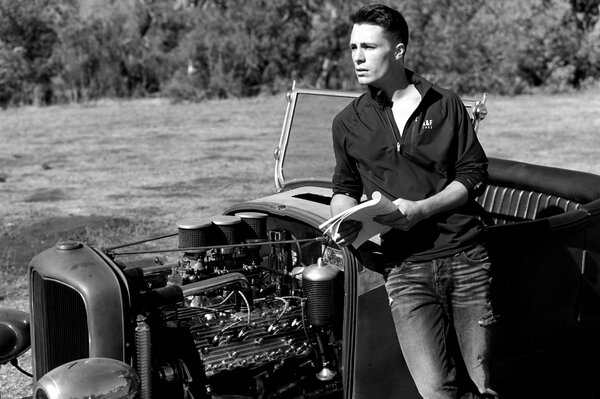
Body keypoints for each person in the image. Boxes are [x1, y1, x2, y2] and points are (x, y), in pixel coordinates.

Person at [330, 4, 498, 398]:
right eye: (353, 46)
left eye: (369, 47)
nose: (357, 56)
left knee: (482, 384)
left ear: (399, 50)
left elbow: (473, 176)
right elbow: (344, 185)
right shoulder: (347, 122)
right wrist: (343, 217)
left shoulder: (445, 103)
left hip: (466, 259)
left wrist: (422, 209)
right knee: (436, 390)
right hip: (404, 270)